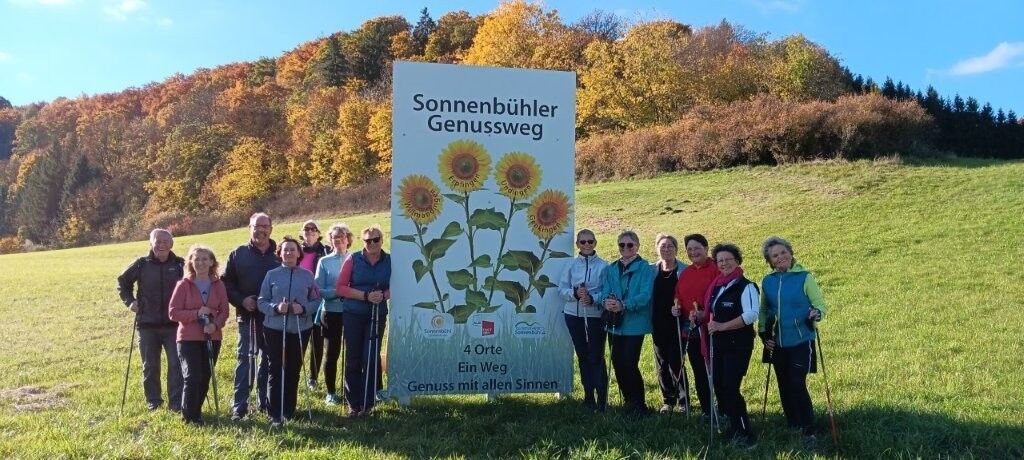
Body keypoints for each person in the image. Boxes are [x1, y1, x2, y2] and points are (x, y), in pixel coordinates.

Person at [759, 236, 827, 441]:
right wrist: (764, 335)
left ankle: (808, 429)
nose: (780, 257)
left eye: (783, 252)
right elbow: (764, 311)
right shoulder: (768, 281)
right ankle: (793, 423)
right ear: (770, 261)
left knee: (797, 384)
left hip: (801, 339)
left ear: (790, 253)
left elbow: (820, 305)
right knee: (784, 384)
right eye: (775, 255)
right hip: (778, 342)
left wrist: (816, 313)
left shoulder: (805, 277)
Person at [116, 228, 185, 412]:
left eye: (165, 241)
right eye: (157, 241)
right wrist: (130, 302)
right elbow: (123, 282)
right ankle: (154, 402)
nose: (161, 244)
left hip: (174, 325)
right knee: (150, 365)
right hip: (147, 324)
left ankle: (176, 402)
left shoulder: (180, 265)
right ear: (151, 243)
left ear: (171, 244)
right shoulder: (141, 264)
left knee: (176, 364)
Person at [258, 236, 320, 427]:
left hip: (301, 328)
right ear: (280, 253)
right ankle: (274, 412)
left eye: (292, 249)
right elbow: (261, 301)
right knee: (276, 369)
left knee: (294, 369)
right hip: (275, 328)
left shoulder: (308, 276)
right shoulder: (271, 275)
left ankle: (289, 410)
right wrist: (276, 308)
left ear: (298, 253)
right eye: (285, 250)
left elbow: (317, 301)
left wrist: (304, 309)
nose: (289, 253)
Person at [224, 212, 281, 421]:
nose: (261, 230)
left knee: (269, 360)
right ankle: (240, 406)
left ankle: (265, 402)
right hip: (247, 317)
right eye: (257, 226)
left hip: (273, 318)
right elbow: (226, 283)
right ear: (250, 228)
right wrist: (241, 300)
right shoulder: (238, 254)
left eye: (265, 226)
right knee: (245, 360)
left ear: (271, 229)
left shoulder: (280, 255)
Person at [703, 243, 759, 448]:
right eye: (720, 260)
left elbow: (751, 314)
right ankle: (733, 427)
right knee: (719, 384)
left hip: (738, 345)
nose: (724, 263)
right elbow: (712, 313)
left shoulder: (747, 286)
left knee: (730, 387)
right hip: (719, 344)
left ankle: (745, 433)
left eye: (728, 259)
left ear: (737, 261)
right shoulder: (718, 286)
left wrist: (722, 326)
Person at [167, 245, 229, 425]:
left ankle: (197, 412)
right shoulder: (183, 285)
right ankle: (189, 417)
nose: (201, 263)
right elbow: (173, 313)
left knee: (205, 376)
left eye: (205, 259)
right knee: (192, 375)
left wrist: (215, 325)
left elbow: (224, 311)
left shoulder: (219, 285)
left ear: (211, 262)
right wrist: (196, 313)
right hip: (188, 338)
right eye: (197, 259)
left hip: (212, 337)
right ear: (191, 262)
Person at [596, 230, 654, 417]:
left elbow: (645, 295)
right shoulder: (612, 268)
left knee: (630, 362)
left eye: (630, 245)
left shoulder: (645, 268)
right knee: (617, 361)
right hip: (614, 322)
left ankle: (639, 404)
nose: (626, 248)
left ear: (637, 246)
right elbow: (605, 290)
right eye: (622, 245)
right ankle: (628, 400)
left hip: (634, 323)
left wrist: (624, 304)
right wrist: (607, 301)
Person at [335, 224, 391, 417]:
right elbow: (341, 288)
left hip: (377, 314)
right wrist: (365, 296)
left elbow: (398, 284)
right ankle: (353, 404)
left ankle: (367, 404)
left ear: (382, 240)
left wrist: (384, 295)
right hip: (353, 314)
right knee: (353, 358)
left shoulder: (389, 260)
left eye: (376, 239)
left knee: (371, 357)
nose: (372, 243)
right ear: (363, 242)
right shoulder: (353, 259)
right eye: (368, 240)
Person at [557, 229, 609, 412]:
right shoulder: (571, 265)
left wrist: (593, 298)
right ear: (577, 244)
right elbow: (561, 289)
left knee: (596, 356)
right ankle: (588, 397)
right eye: (583, 242)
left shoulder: (604, 266)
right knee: (582, 356)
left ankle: (602, 398)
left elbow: (607, 291)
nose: (586, 245)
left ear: (595, 243)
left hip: (595, 315)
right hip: (573, 315)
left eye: (590, 242)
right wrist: (575, 294)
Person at [672, 234, 717, 421]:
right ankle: (707, 409)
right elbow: (678, 295)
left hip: (712, 326)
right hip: (690, 325)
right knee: (699, 368)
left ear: (706, 248)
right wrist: (676, 308)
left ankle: (723, 409)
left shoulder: (716, 268)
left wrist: (705, 312)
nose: (693, 252)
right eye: (689, 249)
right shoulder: (686, 272)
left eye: (697, 248)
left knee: (714, 369)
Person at [313, 223, 354, 405]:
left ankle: (352, 390)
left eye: (342, 237)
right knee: (332, 353)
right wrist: (337, 293)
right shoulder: (324, 261)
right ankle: (331, 392)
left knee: (353, 352)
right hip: (330, 312)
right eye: (335, 237)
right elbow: (318, 289)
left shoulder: (355, 259)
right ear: (330, 240)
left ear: (348, 239)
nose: (338, 240)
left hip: (352, 311)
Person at [649, 233, 687, 413]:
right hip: (657, 322)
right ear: (657, 249)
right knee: (661, 363)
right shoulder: (651, 270)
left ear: (676, 249)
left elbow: (689, 295)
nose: (666, 249)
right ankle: (668, 400)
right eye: (663, 246)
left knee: (676, 361)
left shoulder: (684, 270)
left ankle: (683, 400)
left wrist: (682, 310)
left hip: (678, 322)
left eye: (670, 246)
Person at [298, 220, 330, 391]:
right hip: (298, 303)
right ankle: (294, 374)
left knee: (317, 342)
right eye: (306, 229)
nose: (309, 232)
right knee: (298, 342)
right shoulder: (295, 251)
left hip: (319, 303)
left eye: (313, 229)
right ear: (301, 232)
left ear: (318, 233)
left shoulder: (325, 251)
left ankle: (313, 378)